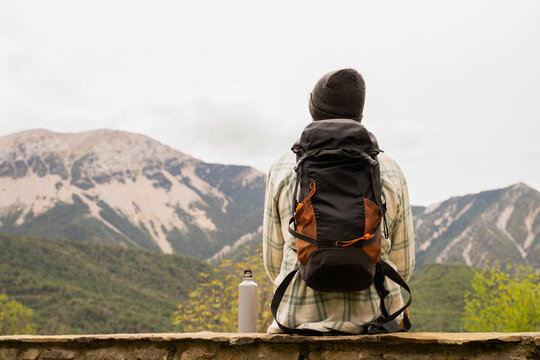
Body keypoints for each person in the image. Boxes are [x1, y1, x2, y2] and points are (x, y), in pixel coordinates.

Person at [262, 68, 415, 334]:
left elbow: (273, 262)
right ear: (359, 114)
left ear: (313, 109)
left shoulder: (283, 168)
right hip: (376, 325)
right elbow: (404, 263)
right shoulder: (389, 169)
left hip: (297, 325)